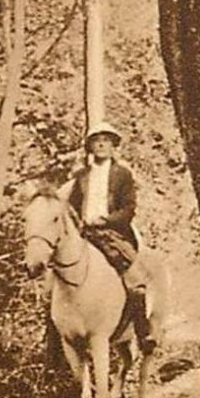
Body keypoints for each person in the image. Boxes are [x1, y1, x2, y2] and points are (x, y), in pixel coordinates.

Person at [68, 121, 150, 347]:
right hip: (85, 235)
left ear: (113, 145)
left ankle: (143, 331)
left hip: (113, 234)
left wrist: (106, 220)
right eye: (97, 140)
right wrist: (78, 223)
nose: (101, 144)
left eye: (106, 140)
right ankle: (55, 351)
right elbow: (72, 206)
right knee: (58, 284)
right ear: (90, 146)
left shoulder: (122, 174)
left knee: (135, 280)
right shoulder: (81, 176)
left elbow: (128, 208)